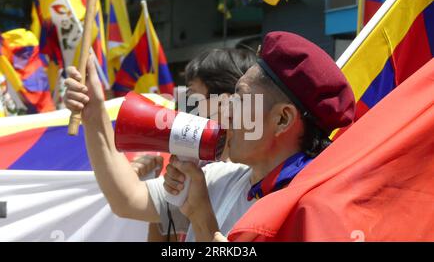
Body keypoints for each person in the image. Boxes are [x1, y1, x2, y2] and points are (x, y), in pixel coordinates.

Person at [64, 31, 355, 242]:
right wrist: (95, 116)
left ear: (282, 119)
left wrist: (202, 219)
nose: (224, 110)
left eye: (240, 99)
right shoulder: (222, 177)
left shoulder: (311, 210)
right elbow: (127, 199)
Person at [131, 48, 256, 241]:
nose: (183, 111)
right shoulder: (196, 167)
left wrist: (95, 118)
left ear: (224, 103)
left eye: (192, 100)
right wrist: (164, 194)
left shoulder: (247, 178)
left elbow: (125, 199)